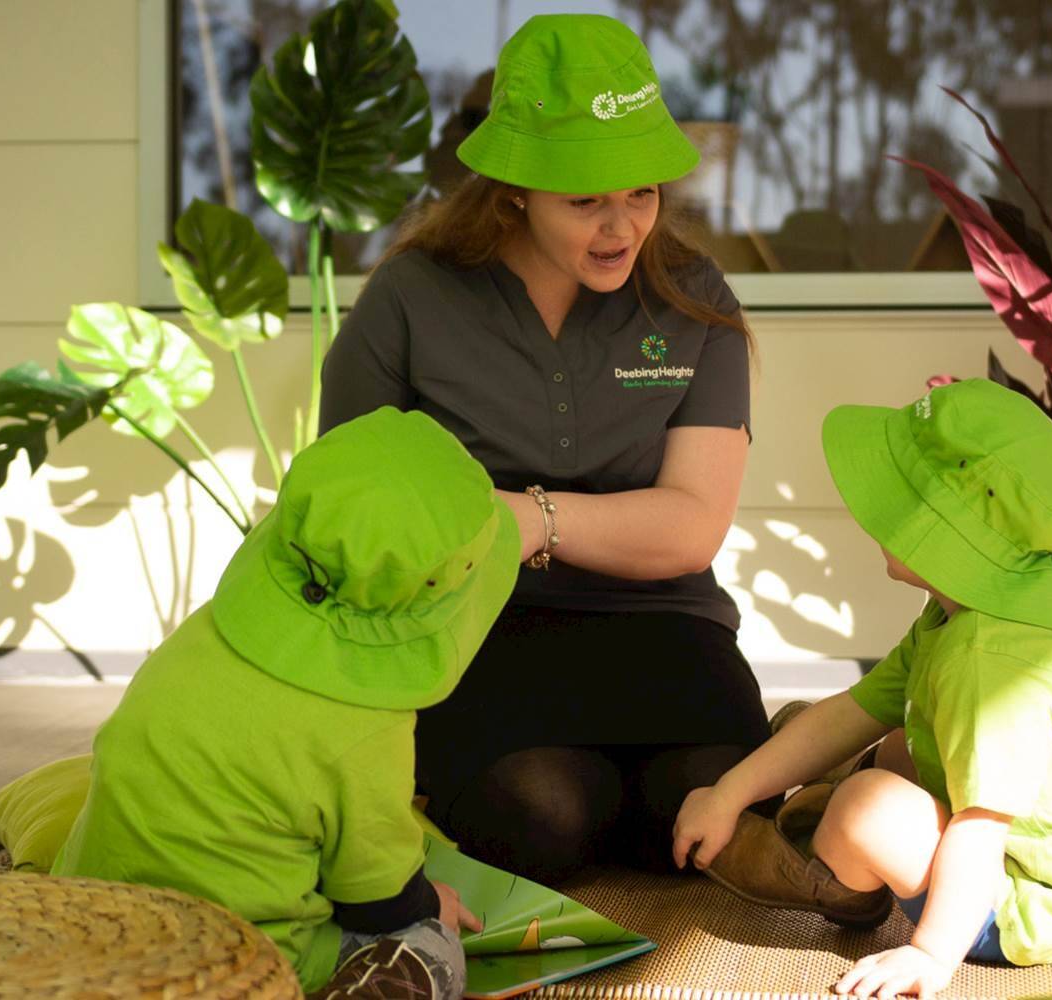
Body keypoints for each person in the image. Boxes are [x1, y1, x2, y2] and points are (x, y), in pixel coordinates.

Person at [320, 13, 770, 884]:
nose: (621, 228)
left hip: (666, 626)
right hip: (480, 629)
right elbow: (348, 502)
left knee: (709, 809)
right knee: (542, 818)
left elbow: (690, 527)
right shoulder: (412, 297)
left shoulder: (694, 298)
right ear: (515, 190)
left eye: (640, 194)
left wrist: (528, 519)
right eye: (585, 201)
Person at [673, 379, 1052, 999]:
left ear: (945, 539)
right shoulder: (966, 612)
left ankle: (837, 878)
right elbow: (856, 709)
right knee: (893, 735)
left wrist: (929, 953)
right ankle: (831, 809)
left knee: (864, 805)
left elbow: (982, 826)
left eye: (897, 500)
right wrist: (729, 793)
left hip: (1034, 905)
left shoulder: (989, 662)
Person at [52, 408, 520, 999]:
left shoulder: (204, 635)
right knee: (430, 943)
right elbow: (376, 900)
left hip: (89, 922)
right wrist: (433, 903)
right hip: (238, 959)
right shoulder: (364, 727)